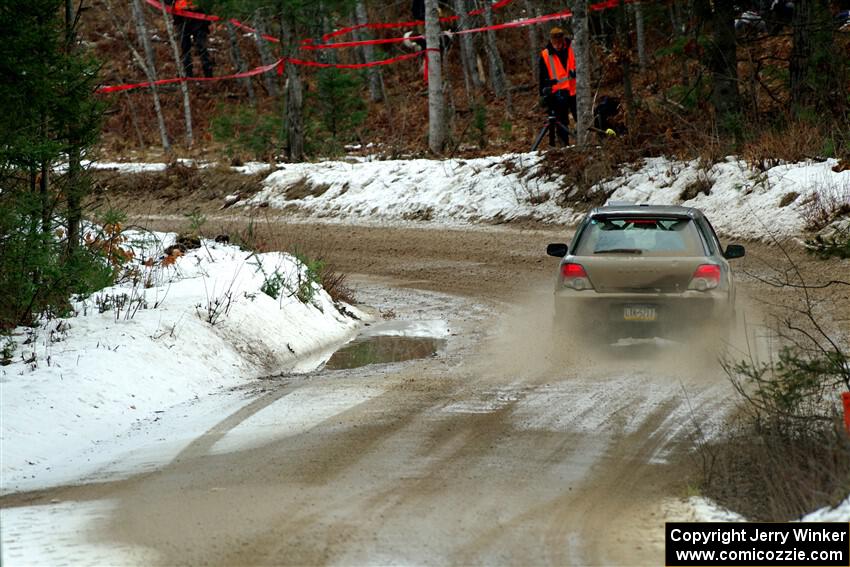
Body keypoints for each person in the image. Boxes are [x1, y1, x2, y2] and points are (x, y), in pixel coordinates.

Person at [538, 27, 576, 145]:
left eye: (560, 43)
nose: (558, 46)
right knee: (561, 122)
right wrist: (543, 94)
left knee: (581, 118)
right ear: (551, 41)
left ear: (563, 40)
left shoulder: (572, 48)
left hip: (575, 90)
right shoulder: (545, 55)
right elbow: (542, 77)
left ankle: (585, 142)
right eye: (555, 44)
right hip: (558, 93)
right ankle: (565, 146)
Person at [171, 0, 214, 78]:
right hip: (181, 18)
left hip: (199, 18)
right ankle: (188, 75)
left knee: (202, 47)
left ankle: (209, 76)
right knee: (184, 48)